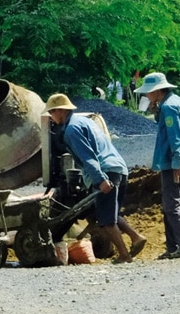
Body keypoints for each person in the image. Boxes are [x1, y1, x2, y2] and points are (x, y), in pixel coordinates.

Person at [45, 94, 134, 263]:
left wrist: (100, 179)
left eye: (52, 113)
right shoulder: (86, 121)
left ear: (60, 111)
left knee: (106, 219)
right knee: (110, 213)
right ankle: (136, 237)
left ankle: (125, 256)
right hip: (118, 167)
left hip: (105, 170)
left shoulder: (71, 130)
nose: (51, 117)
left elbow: (88, 158)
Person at [138, 71, 180, 259]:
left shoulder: (170, 107)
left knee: (171, 205)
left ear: (156, 91)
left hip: (173, 162)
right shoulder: (175, 102)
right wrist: (155, 110)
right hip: (176, 161)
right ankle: (173, 248)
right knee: (169, 204)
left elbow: (176, 137)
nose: (146, 96)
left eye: (148, 92)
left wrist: (177, 162)